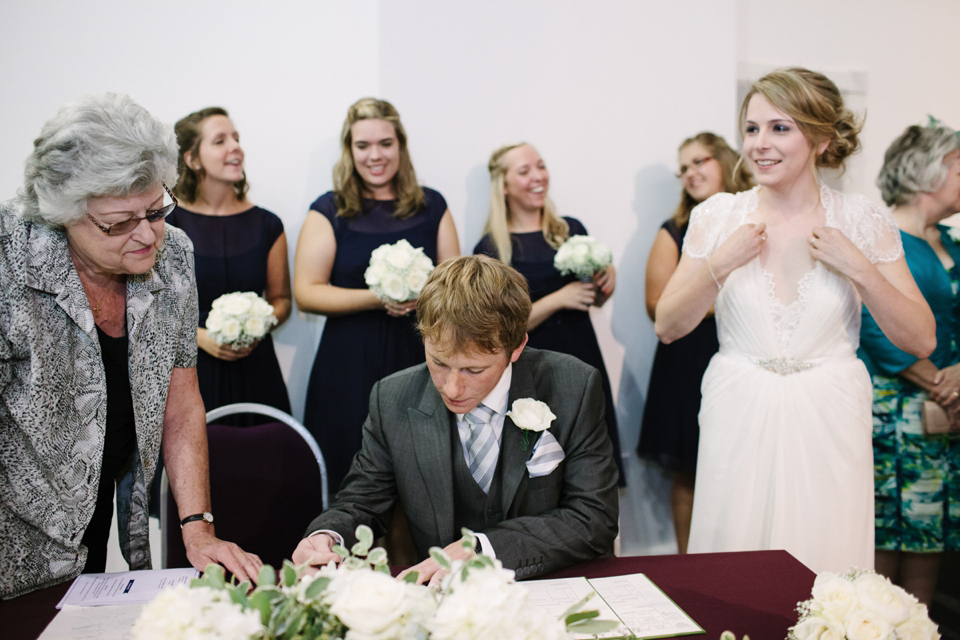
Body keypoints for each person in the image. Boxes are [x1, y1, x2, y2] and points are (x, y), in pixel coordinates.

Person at [654, 68, 936, 573]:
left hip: (829, 411)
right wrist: (721, 264)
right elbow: (669, 326)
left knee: (823, 561)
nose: (760, 144)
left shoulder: (863, 220)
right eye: (752, 128)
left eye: (780, 128)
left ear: (822, 138)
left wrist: (861, 270)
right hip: (737, 406)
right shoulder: (717, 217)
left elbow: (921, 338)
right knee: (733, 565)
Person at [0, 94, 261, 599]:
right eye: (119, 221)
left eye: (157, 209)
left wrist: (197, 526)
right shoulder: (9, 258)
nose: (148, 234)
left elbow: (181, 404)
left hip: (93, 512)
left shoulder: (175, 255)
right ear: (63, 213)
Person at [291, 255, 619, 583]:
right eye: (439, 363)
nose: (452, 388)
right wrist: (327, 536)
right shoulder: (392, 398)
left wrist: (484, 549)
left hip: (554, 591)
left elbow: (594, 518)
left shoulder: (573, 386)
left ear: (516, 348)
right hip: (446, 604)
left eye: (473, 370)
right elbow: (362, 499)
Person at [294, 97, 460, 491]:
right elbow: (306, 292)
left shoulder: (432, 205)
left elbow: (455, 285)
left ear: (400, 145)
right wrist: (378, 298)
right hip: (347, 364)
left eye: (385, 143)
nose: (375, 155)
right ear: (349, 151)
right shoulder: (329, 209)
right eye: (362, 145)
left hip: (419, 357)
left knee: (420, 481)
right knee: (351, 478)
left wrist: (424, 298)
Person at [474, 142, 623, 485]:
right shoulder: (492, 248)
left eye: (540, 166)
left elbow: (593, 301)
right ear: (504, 185)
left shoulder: (570, 229)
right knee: (542, 472)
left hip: (581, 356)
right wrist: (558, 299)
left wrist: (605, 284)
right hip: (531, 368)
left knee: (591, 462)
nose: (538, 176)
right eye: (524, 171)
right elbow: (496, 328)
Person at [859, 121, 960, 604]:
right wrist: (943, 383)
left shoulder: (951, 242)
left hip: (947, 411)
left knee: (930, 529)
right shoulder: (884, 236)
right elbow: (873, 325)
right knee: (888, 530)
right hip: (894, 410)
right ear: (928, 171)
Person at [638, 132, 753, 554]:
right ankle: (688, 564)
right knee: (690, 468)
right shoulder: (675, 230)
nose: (690, 173)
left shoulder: (757, 218)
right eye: (683, 168)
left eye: (699, 161)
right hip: (687, 358)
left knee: (742, 466)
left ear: (724, 160)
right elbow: (657, 304)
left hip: (747, 353)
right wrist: (726, 301)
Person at [169, 107, 292, 423]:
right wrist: (199, 337)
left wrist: (255, 326)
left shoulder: (267, 225)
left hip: (256, 367)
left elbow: (282, 301)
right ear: (192, 159)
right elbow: (150, 308)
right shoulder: (168, 224)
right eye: (220, 140)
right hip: (190, 369)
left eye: (236, 138)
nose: (235, 147)